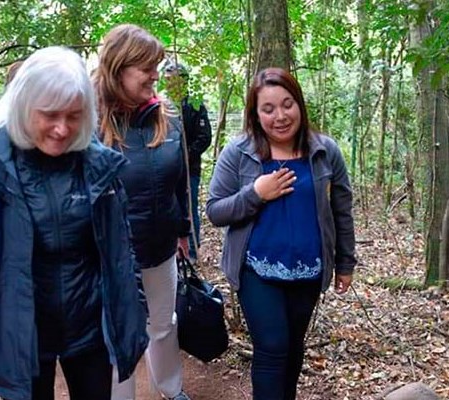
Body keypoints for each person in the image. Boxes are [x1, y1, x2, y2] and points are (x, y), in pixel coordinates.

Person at [0, 46, 148, 400]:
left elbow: (120, 245)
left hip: (90, 330)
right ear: (23, 107)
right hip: (20, 336)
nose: (62, 129)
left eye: (74, 116)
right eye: (49, 115)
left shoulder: (98, 167)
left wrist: (132, 305)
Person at [205, 67, 357, 400]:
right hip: (256, 269)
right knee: (272, 346)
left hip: (308, 269)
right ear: (256, 115)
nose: (280, 116)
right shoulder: (239, 153)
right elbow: (215, 210)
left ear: (299, 104)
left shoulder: (325, 152)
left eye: (287, 104)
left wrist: (346, 262)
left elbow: (341, 211)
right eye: (268, 109)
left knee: (291, 348)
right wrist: (256, 193)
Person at [92, 24, 191, 400]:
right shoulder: (88, 120)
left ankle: (171, 387)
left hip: (160, 244)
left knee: (163, 325)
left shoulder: (164, 116)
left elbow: (178, 182)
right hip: (111, 255)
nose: (155, 75)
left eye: (157, 66)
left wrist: (182, 231)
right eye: (147, 67)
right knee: (120, 333)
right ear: (118, 68)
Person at [163, 62, 212, 262]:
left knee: (189, 208)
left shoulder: (195, 105)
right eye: (167, 80)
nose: (170, 84)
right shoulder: (162, 105)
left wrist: (186, 154)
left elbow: (204, 137)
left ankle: (191, 252)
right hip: (166, 169)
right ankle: (171, 251)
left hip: (189, 168)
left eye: (174, 79)